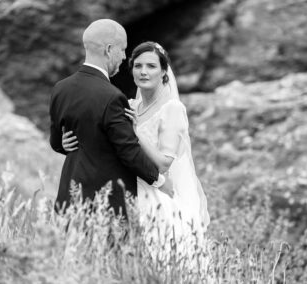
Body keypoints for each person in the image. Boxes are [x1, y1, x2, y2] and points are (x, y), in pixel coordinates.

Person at [62, 41, 210, 246]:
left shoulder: (172, 109)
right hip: (124, 190)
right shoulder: (130, 105)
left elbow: (164, 164)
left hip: (156, 195)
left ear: (164, 72)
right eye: (138, 66)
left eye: (151, 66)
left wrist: (135, 132)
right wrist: (65, 141)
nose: (143, 72)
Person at [49, 20, 172, 219]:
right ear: (109, 49)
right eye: (122, 50)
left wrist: (64, 144)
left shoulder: (60, 89)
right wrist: (159, 181)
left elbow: (56, 142)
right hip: (105, 207)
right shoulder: (113, 97)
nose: (124, 57)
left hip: (69, 202)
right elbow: (128, 151)